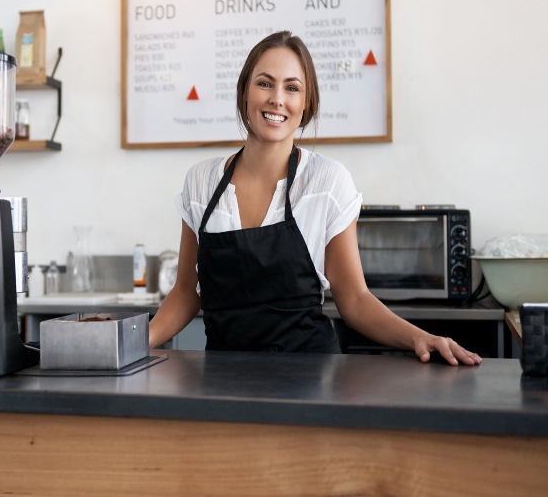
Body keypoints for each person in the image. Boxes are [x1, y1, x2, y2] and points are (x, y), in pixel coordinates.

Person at [148, 30, 481, 366]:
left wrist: (417, 337)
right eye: (265, 83)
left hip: (308, 379)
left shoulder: (327, 181)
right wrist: (134, 341)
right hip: (222, 378)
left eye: (292, 88)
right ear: (245, 91)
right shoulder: (202, 181)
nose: (277, 99)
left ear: (306, 104)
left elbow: (354, 299)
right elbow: (186, 293)